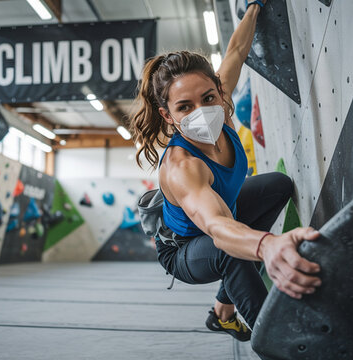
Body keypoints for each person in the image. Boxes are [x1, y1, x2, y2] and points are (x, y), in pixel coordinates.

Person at [129, 0, 322, 341]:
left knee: (277, 185)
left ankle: (222, 309)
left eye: (207, 98)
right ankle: (281, 342)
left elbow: (236, 49)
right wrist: (267, 246)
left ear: (219, 91)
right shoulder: (182, 168)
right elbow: (217, 227)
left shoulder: (223, 104)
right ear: (168, 115)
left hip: (223, 216)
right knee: (228, 252)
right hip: (184, 250)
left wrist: (253, 9)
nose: (202, 112)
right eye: (184, 107)